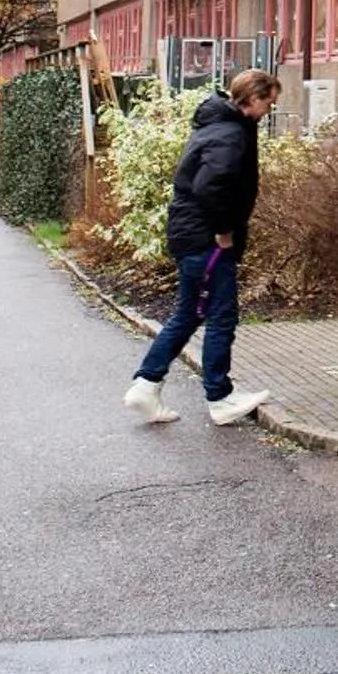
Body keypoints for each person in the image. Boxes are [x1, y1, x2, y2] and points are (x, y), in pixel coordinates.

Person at [124, 68, 280, 428]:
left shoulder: (220, 125)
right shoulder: (230, 133)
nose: (270, 109)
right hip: (205, 238)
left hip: (190, 234)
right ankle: (219, 397)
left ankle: (146, 385)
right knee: (221, 315)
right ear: (253, 98)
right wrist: (224, 231)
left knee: (190, 314)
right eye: (269, 102)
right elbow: (210, 186)